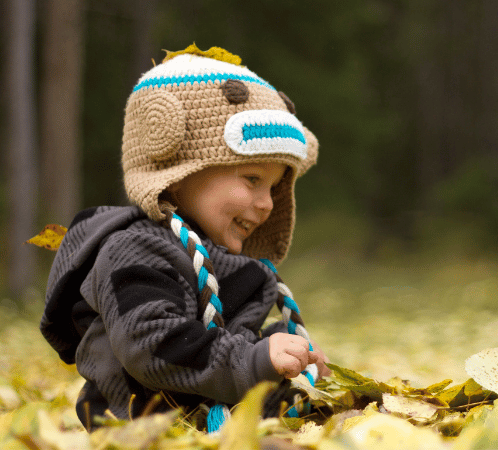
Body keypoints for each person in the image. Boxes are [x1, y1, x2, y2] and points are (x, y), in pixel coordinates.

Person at [40, 44, 330, 432]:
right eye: (252, 179)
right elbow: (153, 345)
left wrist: (285, 353)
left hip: (209, 421)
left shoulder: (227, 263)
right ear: (178, 172)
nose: (266, 204)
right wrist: (255, 360)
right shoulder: (134, 249)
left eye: (275, 187)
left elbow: (225, 339)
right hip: (138, 429)